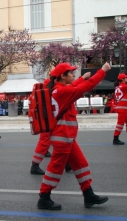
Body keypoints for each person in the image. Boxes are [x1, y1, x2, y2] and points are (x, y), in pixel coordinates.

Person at [37, 62, 111, 210]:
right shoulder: (62, 92)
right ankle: (44, 198)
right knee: (55, 168)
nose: (73, 75)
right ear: (62, 76)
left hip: (67, 137)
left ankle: (88, 194)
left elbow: (75, 87)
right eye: (70, 73)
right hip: (62, 137)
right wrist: (102, 71)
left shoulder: (59, 89)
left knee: (81, 164)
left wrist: (82, 78)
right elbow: (85, 87)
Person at [29, 74, 91, 175]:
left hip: (49, 120)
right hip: (49, 121)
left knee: (62, 142)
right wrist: (83, 78)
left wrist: (82, 78)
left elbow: (72, 86)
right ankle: (35, 166)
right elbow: (72, 87)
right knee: (45, 143)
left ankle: (66, 164)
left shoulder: (50, 89)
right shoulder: (54, 89)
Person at [112, 73, 127, 145]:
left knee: (120, 123)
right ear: (123, 79)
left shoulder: (118, 87)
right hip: (123, 108)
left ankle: (116, 138)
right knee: (120, 124)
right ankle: (115, 138)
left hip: (121, 108)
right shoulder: (124, 86)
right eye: (126, 78)